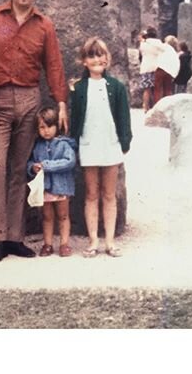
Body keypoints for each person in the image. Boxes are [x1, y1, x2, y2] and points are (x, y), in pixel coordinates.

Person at [0, 0, 68, 263]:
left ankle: (15, 237)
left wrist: (61, 101)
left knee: (19, 168)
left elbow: (53, 65)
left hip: (29, 99)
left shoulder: (44, 25)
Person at [70, 37, 132, 258]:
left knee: (109, 194)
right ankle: (93, 240)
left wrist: (125, 141)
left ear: (107, 58)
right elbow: (75, 119)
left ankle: (110, 241)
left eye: (100, 54)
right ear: (84, 61)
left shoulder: (116, 87)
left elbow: (124, 117)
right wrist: (74, 143)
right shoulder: (78, 88)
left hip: (110, 144)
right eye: (91, 55)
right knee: (91, 194)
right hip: (88, 145)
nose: (97, 59)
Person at [26, 106, 77, 258]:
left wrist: (46, 165)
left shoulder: (63, 144)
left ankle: (64, 243)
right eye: (42, 127)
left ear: (57, 126)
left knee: (63, 215)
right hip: (45, 187)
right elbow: (30, 162)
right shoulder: (37, 145)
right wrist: (32, 168)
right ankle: (47, 244)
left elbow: (69, 161)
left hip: (62, 187)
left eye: (49, 126)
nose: (46, 131)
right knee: (47, 216)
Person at [138, 26, 164, 112]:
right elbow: (163, 51)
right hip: (156, 67)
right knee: (156, 88)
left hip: (145, 67)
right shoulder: (158, 43)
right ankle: (156, 107)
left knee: (147, 89)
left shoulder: (143, 44)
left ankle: (145, 107)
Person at [154, 35, 180, 103]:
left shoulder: (166, 47)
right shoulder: (175, 53)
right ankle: (167, 105)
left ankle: (157, 105)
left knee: (158, 89)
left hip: (161, 69)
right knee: (168, 90)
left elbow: (155, 45)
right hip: (170, 72)